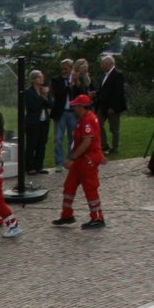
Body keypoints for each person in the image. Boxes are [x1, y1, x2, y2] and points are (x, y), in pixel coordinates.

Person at [52, 93, 106, 230]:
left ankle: (97, 217)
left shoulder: (88, 119)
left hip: (87, 159)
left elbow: (87, 142)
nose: (73, 107)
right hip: (82, 159)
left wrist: (72, 158)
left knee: (90, 188)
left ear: (82, 106)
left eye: (76, 105)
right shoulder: (83, 119)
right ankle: (67, 214)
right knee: (69, 186)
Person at [93, 54, 125, 156]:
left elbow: (118, 93)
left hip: (112, 107)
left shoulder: (117, 75)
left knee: (114, 128)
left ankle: (115, 148)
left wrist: (113, 107)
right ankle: (104, 145)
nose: (101, 66)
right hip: (102, 105)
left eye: (103, 64)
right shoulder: (105, 75)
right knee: (98, 124)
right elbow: (104, 90)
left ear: (109, 64)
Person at [20, 70, 51, 176]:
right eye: (39, 77)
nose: (41, 78)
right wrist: (41, 97)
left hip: (44, 121)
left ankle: (39, 165)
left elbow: (50, 104)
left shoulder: (44, 90)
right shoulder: (28, 92)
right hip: (33, 122)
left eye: (42, 76)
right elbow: (33, 107)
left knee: (42, 144)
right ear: (33, 80)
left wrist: (45, 96)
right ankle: (29, 166)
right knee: (31, 144)